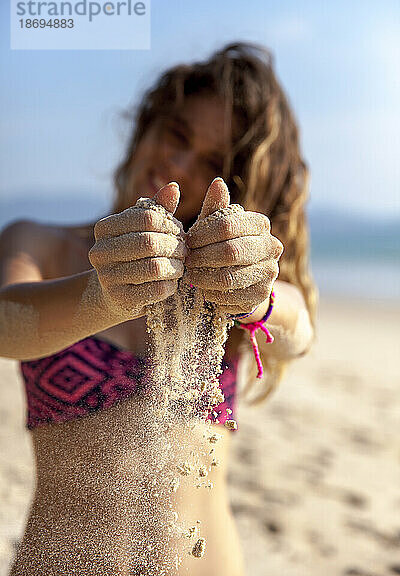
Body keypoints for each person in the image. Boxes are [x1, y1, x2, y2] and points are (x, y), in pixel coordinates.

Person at [0, 41, 318, 575]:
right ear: (148, 123)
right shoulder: (41, 243)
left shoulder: (225, 280)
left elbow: (300, 330)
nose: (178, 163)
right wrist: (104, 295)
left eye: (212, 162)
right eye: (177, 135)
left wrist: (258, 297)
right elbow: (7, 323)